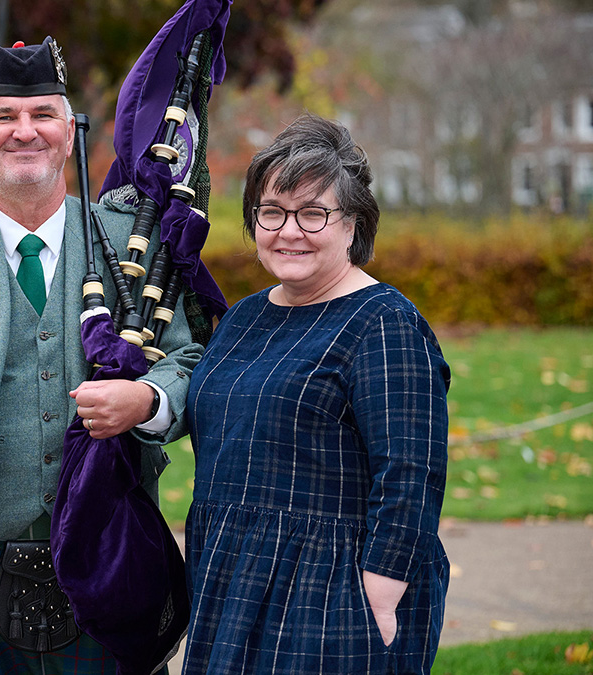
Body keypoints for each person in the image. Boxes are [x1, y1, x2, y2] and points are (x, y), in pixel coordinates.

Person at [0, 37, 204, 674]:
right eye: (3, 117)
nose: (25, 132)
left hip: (109, 538)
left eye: (43, 115)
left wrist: (147, 399)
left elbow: (189, 360)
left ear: (69, 132)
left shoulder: (134, 240)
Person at [180, 114, 450, 675]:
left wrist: (380, 591)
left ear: (352, 225)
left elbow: (410, 471)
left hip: (330, 589)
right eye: (272, 212)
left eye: (313, 214)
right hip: (229, 574)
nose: (288, 230)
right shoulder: (245, 316)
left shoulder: (382, 322)